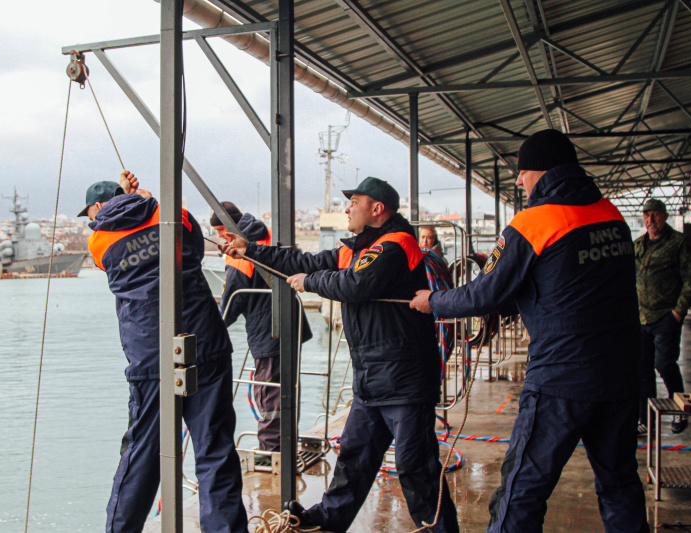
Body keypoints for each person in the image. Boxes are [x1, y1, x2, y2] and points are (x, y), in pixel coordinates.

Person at [410, 129, 648, 533]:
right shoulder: (612, 215)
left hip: (562, 379)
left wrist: (432, 302)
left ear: (542, 171)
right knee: (619, 483)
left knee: (522, 491)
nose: (519, 181)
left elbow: (485, 293)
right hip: (622, 375)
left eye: (522, 172)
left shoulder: (535, 221)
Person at [220, 177, 459, 533]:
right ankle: (326, 523)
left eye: (354, 201)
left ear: (377, 209)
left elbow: (355, 285)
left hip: (404, 380)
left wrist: (309, 282)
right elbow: (302, 259)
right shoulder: (356, 248)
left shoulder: (397, 243)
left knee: (416, 467)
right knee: (354, 460)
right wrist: (251, 249)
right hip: (371, 379)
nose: (346, 207)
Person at [81, 171, 248, 533]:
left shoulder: (98, 242)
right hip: (205, 338)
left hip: (150, 352)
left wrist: (131, 200)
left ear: (97, 207)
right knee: (215, 449)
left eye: (90, 212)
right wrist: (147, 199)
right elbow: (192, 247)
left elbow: (114, 259)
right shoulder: (174, 213)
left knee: (142, 454)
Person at [211, 202, 312, 462]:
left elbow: (234, 296)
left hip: (269, 331)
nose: (222, 237)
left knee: (269, 392)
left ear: (231, 226)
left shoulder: (241, 247)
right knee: (285, 389)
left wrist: (214, 327)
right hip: (287, 324)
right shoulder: (265, 234)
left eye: (222, 230)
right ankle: (284, 445)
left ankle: (271, 453)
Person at [636, 198, 691, 435]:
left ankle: (678, 411)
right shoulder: (638, 245)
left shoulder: (678, 243)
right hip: (642, 318)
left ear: (664, 216)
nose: (651, 219)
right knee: (643, 370)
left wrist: (678, 311)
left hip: (666, 317)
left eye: (655, 214)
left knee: (664, 364)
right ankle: (645, 419)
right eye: (647, 214)